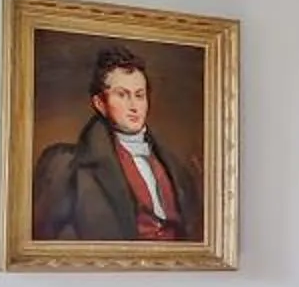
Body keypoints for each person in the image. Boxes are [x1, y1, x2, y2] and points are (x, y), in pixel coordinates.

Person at [29, 45, 201, 241]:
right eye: (122, 94)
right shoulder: (67, 168)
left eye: (139, 95)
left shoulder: (176, 169)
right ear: (100, 104)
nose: (134, 106)